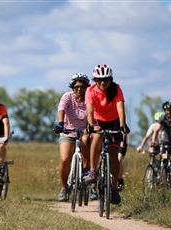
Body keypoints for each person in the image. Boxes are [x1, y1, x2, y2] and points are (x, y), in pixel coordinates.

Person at [84, 64, 130, 205]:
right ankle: (93, 170)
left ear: (110, 80)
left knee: (114, 154)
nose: (102, 83)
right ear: (95, 80)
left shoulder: (116, 89)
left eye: (105, 80)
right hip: (98, 120)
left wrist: (122, 125)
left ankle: (114, 187)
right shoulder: (90, 90)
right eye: (99, 80)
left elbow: (120, 109)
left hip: (114, 121)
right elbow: (90, 111)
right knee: (97, 136)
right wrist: (91, 126)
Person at [54, 72, 90, 202]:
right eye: (76, 86)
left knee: (86, 141)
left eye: (82, 86)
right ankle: (64, 188)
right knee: (64, 160)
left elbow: (93, 115)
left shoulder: (89, 99)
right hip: (68, 131)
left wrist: (90, 128)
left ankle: (87, 173)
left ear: (86, 87)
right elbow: (61, 109)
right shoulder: (67, 97)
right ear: (72, 87)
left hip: (85, 131)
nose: (79, 89)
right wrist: (60, 123)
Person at [151, 101, 171, 177]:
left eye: (170, 110)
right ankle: (166, 176)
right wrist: (153, 142)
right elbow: (156, 130)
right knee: (164, 158)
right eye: (166, 110)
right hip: (167, 140)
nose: (168, 112)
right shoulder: (163, 118)